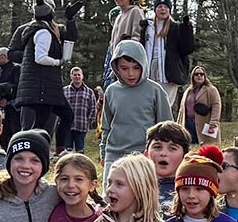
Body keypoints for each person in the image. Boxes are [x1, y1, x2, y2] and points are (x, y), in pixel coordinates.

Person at [8, 0, 79, 144]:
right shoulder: (24, 29)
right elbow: (11, 53)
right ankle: (24, 151)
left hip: (51, 82)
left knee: (48, 125)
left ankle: (49, 151)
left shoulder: (57, 29)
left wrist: (70, 20)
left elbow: (71, 38)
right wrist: (30, 55)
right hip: (31, 82)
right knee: (28, 125)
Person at [101, 40, 172, 169]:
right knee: (112, 189)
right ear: (116, 67)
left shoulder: (155, 91)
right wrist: (103, 152)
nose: (131, 74)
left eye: (136, 68)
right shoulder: (111, 91)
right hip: (114, 155)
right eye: (124, 68)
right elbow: (106, 126)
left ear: (143, 66)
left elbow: (166, 126)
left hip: (144, 155)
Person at [139, 0, 196, 103]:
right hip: (149, 68)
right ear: (155, 9)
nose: (162, 9)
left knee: (165, 103)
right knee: (149, 102)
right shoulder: (147, 27)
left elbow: (187, 49)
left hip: (169, 71)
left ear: (169, 10)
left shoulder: (176, 27)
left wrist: (187, 30)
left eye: (165, 7)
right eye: (159, 6)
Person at [145, 121, 191, 208]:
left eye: (172, 148)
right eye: (157, 147)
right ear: (146, 154)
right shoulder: (135, 187)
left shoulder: (190, 190)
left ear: (184, 157)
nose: (163, 153)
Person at [107, 0, 147, 66]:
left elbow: (137, 37)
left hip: (129, 61)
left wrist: (129, 58)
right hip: (117, 61)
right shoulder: (119, 16)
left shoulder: (135, 11)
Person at [179, 66, 221, 144]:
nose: (199, 76)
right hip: (188, 123)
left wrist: (213, 121)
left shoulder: (211, 89)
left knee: (206, 145)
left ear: (204, 76)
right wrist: (179, 124)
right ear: (192, 76)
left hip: (206, 123)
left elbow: (216, 105)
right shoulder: (188, 91)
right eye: (196, 74)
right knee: (190, 146)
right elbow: (182, 109)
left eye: (201, 74)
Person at [63, 67, 99, 154]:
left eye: (79, 75)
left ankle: (80, 167)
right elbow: (59, 107)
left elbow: (93, 109)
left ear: (82, 76)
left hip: (81, 125)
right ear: (71, 76)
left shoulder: (89, 92)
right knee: (67, 151)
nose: (77, 76)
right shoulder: (64, 91)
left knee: (80, 151)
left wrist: (88, 122)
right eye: (75, 75)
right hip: (67, 126)